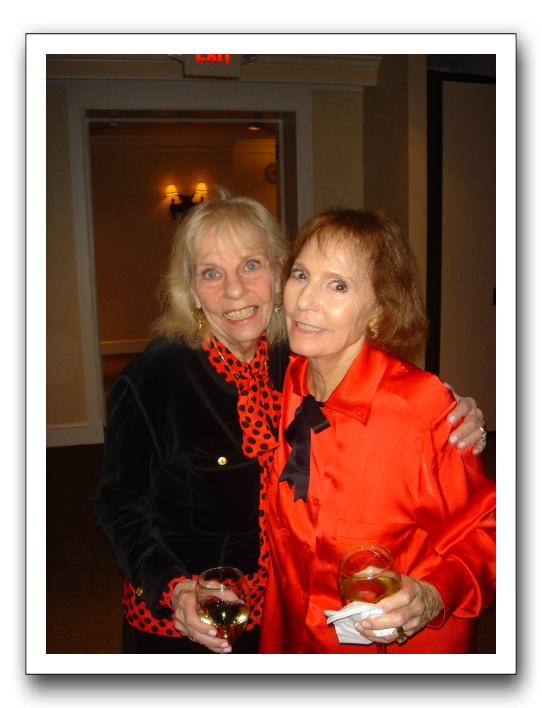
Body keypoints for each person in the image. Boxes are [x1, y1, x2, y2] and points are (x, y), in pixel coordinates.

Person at [92, 192, 488, 655]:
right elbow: (118, 503)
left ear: (276, 276)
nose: (235, 291)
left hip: (282, 617)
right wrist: (172, 588)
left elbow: (382, 387)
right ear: (192, 291)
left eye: (251, 265)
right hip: (189, 613)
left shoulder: (292, 358)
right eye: (211, 273)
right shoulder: (156, 378)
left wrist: (445, 412)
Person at [259, 208, 495, 654]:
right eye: (301, 275)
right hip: (297, 637)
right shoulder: (287, 382)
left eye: (338, 285)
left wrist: (432, 595)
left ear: (380, 310)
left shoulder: (420, 411)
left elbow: (491, 531)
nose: (305, 300)